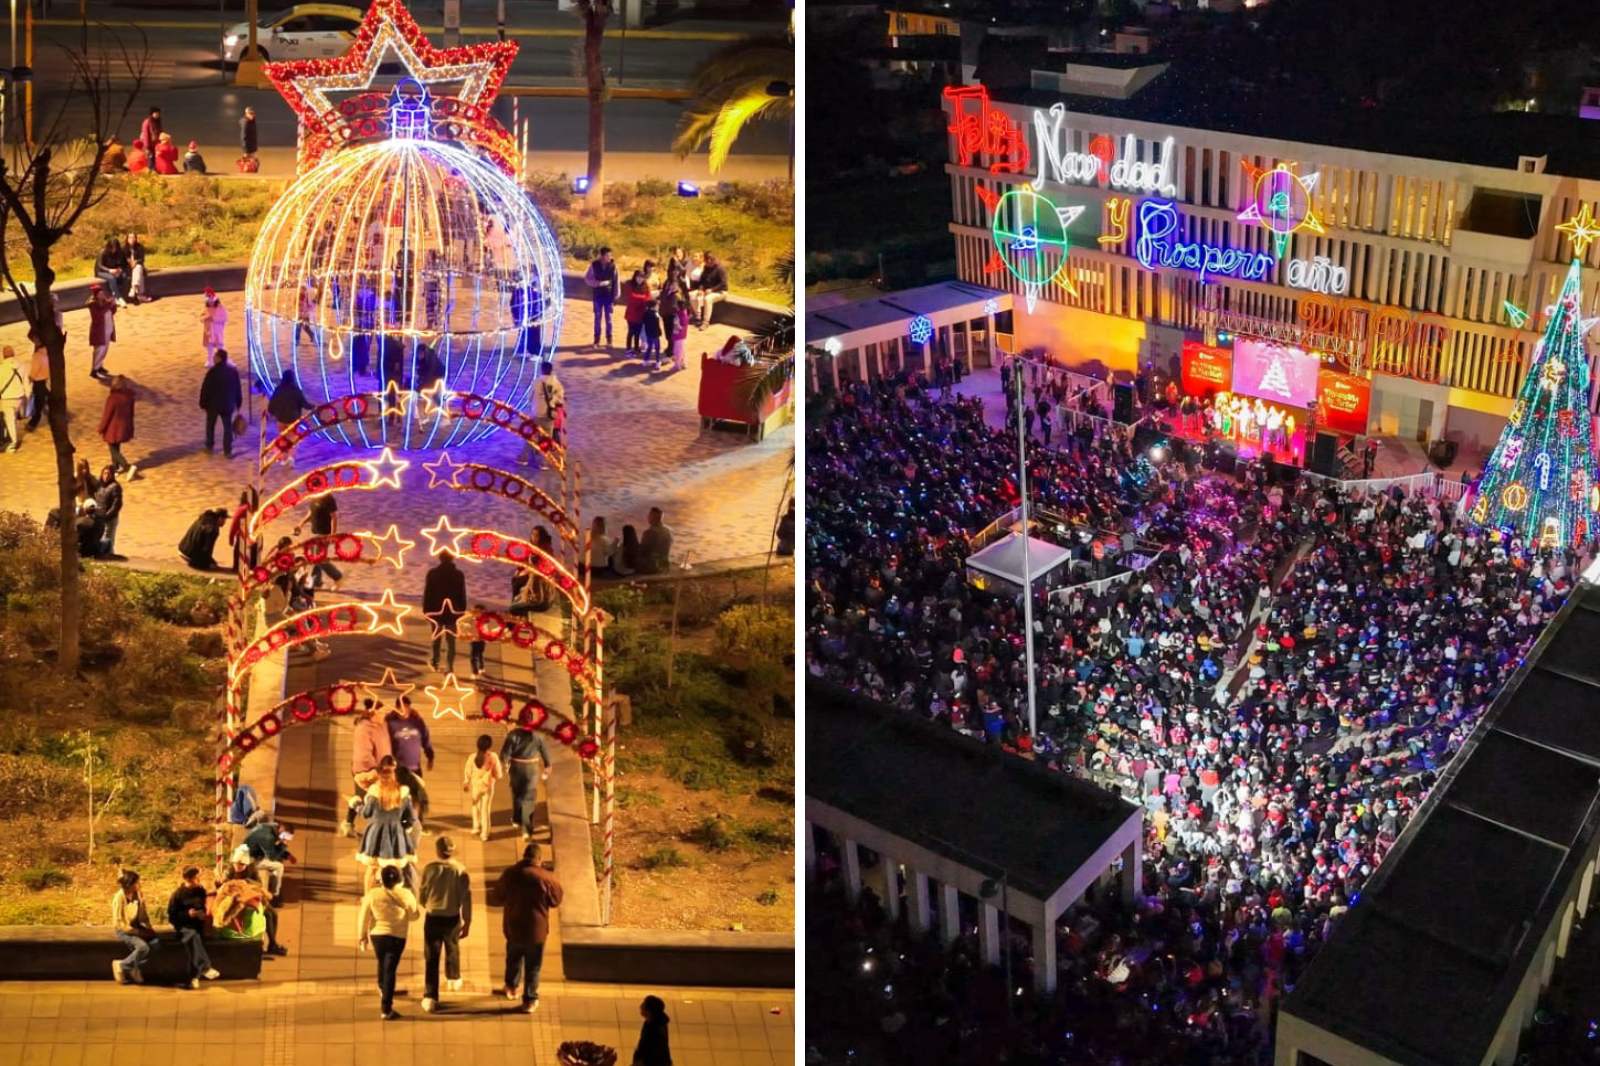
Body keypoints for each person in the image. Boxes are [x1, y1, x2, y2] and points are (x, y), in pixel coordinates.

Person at [495, 843, 563, 1013]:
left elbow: (497, 895)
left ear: (524, 856)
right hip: (536, 931)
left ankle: (511, 987)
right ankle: (530, 1000)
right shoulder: (546, 878)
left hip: (514, 927)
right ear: (539, 859)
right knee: (533, 967)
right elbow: (556, 900)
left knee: (513, 959)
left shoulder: (510, 874)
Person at [357, 864, 420, 1020]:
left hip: (378, 935)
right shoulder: (405, 894)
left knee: (382, 962)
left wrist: (362, 935)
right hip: (397, 936)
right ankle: (386, 1008)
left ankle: (381, 986)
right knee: (390, 969)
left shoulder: (373, 894)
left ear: (381, 878)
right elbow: (414, 916)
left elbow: (364, 916)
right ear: (400, 878)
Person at [418, 836, 472, 1012]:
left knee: (431, 956)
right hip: (452, 917)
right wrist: (467, 920)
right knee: (452, 947)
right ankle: (453, 977)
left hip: (433, 916)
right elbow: (466, 898)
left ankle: (430, 996)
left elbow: (422, 893)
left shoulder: (429, 869)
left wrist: (425, 903)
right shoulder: (461, 870)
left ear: (437, 851)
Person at [356, 756, 418, 889]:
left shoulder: (375, 791)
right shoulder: (403, 792)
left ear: (380, 772)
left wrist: (356, 804)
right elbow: (411, 819)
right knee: (397, 868)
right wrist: (404, 827)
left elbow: (365, 813)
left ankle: (368, 897)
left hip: (376, 834)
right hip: (397, 833)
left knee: (372, 869)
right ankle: (396, 895)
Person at [165, 866, 223, 988]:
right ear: (188, 879)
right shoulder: (178, 895)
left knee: (194, 940)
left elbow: (203, 905)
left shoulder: (200, 891)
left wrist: (201, 914)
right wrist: (187, 914)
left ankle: (194, 978)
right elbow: (172, 915)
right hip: (183, 926)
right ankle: (204, 968)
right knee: (192, 936)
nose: (199, 880)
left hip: (197, 924)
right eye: (196, 878)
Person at [341, 699, 391, 837]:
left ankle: (348, 824)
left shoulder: (381, 724)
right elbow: (363, 755)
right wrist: (376, 772)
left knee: (363, 799)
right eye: (381, 713)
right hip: (366, 772)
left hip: (381, 770)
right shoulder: (364, 729)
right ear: (372, 713)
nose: (384, 715)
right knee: (368, 801)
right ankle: (372, 833)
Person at [500, 716, 551, 843]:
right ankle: (526, 829)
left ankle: (517, 819)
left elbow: (504, 755)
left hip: (516, 768)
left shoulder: (513, 735)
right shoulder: (538, 735)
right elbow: (545, 753)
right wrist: (547, 766)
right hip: (531, 769)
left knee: (516, 794)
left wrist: (506, 764)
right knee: (529, 799)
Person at [387, 696, 434, 831]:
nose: (404, 711)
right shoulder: (390, 723)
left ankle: (418, 824)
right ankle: (400, 823)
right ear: (396, 708)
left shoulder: (417, 721)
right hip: (399, 769)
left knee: (417, 797)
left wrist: (430, 756)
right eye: (401, 708)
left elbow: (426, 739)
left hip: (415, 768)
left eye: (406, 707)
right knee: (400, 797)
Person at [111, 870, 163, 985]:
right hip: (124, 930)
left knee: (156, 944)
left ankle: (132, 966)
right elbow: (120, 923)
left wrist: (149, 928)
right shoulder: (119, 898)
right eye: (136, 883)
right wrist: (138, 932)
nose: (139, 885)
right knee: (143, 947)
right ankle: (121, 965)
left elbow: (143, 916)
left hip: (136, 925)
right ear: (130, 884)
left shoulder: (138, 894)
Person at [423, 550, 468, 674]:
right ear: (452, 559)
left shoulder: (432, 573)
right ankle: (450, 666)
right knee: (451, 641)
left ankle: (435, 661)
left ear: (440, 558)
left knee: (436, 638)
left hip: (435, 611)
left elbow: (428, 593)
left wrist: (426, 610)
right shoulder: (459, 574)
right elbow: (461, 594)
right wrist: (462, 610)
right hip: (453, 612)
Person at [198, 349, 243, 458]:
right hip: (227, 404)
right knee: (227, 427)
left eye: (215, 356)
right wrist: (238, 402)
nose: (213, 358)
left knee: (210, 426)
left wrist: (203, 404)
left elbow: (206, 389)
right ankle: (227, 451)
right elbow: (237, 388)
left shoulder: (212, 372)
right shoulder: (233, 371)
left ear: (219, 358)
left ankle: (209, 446)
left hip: (213, 405)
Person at [242, 819, 297, 903]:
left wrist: (287, 855)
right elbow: (272, 857)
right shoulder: (268, 837)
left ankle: (274, 884)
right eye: (286, 837)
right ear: (282, 832)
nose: (287, 840)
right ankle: (275, 895)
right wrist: (283, 844)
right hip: (251, 859)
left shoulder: (271, 828)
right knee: (279, 866)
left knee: (279, 859)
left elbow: (272, 848)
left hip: (256, 853)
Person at [293, 494, 342, 588]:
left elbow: (333, 518)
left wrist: (332, 535)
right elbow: (312, 513)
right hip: (314, 532)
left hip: (324, 534)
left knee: (319, 558)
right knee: (314, 557)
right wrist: (301, 524)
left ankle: (337, 576)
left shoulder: (328, 499)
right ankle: (317, 581)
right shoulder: (314, 497)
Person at [521, 362, 564, 465]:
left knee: (531, 435)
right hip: (549, 414)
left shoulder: (536, 382)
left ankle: (524, 458)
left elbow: (529, 398)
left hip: (537, 412)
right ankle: (544, 462)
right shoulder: (556, 383)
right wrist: (552, 402)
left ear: (542, 370)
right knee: (547, 439)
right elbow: (560, 398)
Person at [462, 733, 502, 840]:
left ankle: (476, 827)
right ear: (489, 746)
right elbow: (498, 774)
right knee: (486, 810)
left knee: (475, 805)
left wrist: (466, 782)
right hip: (488, 787)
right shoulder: (493, 757)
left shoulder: (472, 758)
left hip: (476, 786)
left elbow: (468, 772)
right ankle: (485, 834)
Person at [267, 369, 309, 461]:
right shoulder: (296, 390)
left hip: (281, 418)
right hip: (293, 419)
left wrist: (271, 412)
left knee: (282, 437)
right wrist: (311, 407)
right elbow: (304, 403)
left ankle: (282, 455)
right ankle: (291, 457)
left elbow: (273, 402)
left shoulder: (278, 389)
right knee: (292, 440)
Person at [585, 246, 619, 348]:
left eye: (610, 255)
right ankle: (597, 339)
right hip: (598, 295)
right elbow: (587, 278)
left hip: (608, 296)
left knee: (609, 318)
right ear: (602, 256)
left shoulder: (613, 266)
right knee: (597, 317)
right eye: (607, 255)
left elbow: (616, 281)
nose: (609, 257)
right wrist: (598, 283)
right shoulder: (594, 265)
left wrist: (616, 296)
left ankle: (609, 339)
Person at [632, 996, 673, 1066]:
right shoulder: (650, 1024)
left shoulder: (655, 1028)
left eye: (644, 1005)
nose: (640, 1006)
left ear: (649, 1010)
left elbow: (652, 1050)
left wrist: (641, 1061)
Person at [691, 251, 728, 328]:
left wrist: (712, 289)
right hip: (707, 289)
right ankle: (697, 316)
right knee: (692, 295)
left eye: (705, 261)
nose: (704, 263)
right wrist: (701, 288)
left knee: (708, 299)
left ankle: (705, 322)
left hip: (720, 291)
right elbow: (702, 279)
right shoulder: (706, 268)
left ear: (709, 260)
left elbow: (723, 283)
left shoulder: (720, 269)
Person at [87, 284, 117, 379]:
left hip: (107, 329)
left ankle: (99, 366)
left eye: (102, 293)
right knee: (99, 350)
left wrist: (113, 304)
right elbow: (99, 314)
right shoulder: (93, 304)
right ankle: (94, 369)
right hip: (100, 330)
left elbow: (111, 311)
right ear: (96, 295)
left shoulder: (104, 302)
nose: (102, 295)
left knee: (104, 349)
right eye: (100, 294)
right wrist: (109, 304)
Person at [95, 466, 124, 557]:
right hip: (99, 518)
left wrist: (107, 516)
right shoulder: (99, 485)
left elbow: (117, 504)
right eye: (104, 473)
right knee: (100, 539)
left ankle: (109, 557)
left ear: (112, 475)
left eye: (108, 474)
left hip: (110, 519)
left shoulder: (115, 487)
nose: (106, 476)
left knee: (108, 540)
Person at [0, 345, 25, 452]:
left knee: (9, 421)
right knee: (13, 419)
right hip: (19, 397)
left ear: (3, 355)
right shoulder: (21, 366)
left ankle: (12, 443)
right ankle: (11, 439)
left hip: (7, 398)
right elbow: (25, 383)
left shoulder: (1, 368)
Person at [622, 269, 651, 355]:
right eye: (638, 277)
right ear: (635, 277)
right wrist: (643, 298)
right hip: (631, 313)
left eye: (642, 277)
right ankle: (628, 348)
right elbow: (632, 296)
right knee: (631, 331)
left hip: (641, 313)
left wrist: (642, 298)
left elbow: (649, 297)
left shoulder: (646, 286)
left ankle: (636, 347)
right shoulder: (630, 284)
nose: (640, 279)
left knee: (638, 332)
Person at [639, 507, 674, 574]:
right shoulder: (669, 530)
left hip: (653, 567)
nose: (647, 517)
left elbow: (641, 552)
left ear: (653, 518)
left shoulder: (649, 532)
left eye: (649, 515)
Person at [95, 237, 130, 305]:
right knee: (112, 278)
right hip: (101, 271)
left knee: (124, 276)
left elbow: (124, 263)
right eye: (112, 248)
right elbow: (100, 265)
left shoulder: (120, 252)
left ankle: (118, 295)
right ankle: (118, 297)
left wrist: (120, 269)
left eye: (116, 248)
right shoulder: (102, 252)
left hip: (114, 270)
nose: (114, 250)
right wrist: (109, 270)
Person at [25, 336, 48, 432]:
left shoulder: (37, 356)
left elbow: (34, 370)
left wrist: (29, 379)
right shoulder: (49, 352)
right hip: (48, 379)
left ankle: (33, 422)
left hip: (39, 381)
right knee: (47, 398)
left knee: (38, 403)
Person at [200, 288, 228, 363]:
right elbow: (201, 318)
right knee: (209, 347)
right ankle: (210, 360)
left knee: (220, 346)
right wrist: (206, 317)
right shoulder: (205, 309)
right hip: (208, 331)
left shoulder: (220, 308)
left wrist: (214, 318)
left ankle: (224, 360)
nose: (210, 302)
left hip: (217, 331)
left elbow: (224, 318)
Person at [124, 233, 148, 303]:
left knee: (138, 268)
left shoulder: (140, 247)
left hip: (137, 266)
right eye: (130, 237)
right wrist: (129, 262)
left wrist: (136, 262)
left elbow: (142, 259)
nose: (132, 239)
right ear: (127, 239)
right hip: (127, 268)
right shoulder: (123, 248)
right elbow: (122, 259)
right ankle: (140, 295)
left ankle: (133, 288)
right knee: (139, 272)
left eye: (134, 237)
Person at [641, 297, 664, 370]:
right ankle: (657, 362)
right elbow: (657, 324)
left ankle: (645, 361)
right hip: (655, 334)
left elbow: (644, 321)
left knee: (649, 347)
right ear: (654, 306)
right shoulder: (656, 314)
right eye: (657, 305)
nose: (658, 307)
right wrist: (659, 332)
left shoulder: (646, 313)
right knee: (657, 349)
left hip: (648, 333)